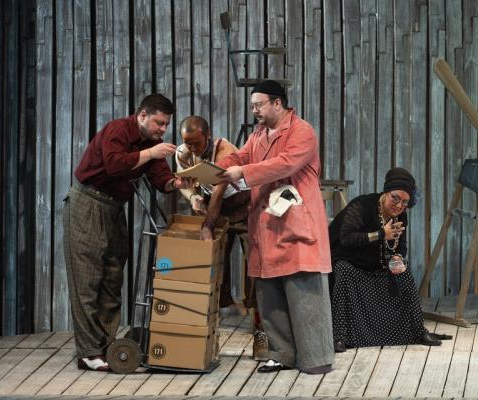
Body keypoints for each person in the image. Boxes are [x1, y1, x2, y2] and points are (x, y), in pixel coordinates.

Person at [63, 93, 190, 371]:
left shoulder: (152, 142)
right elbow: (114, 164)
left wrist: (178, 183)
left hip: (114, 208)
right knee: (87, 280)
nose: (163, 129)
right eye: (159, 123)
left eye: (166, 124)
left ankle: (105, 346)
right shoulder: (118, 129)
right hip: (89, 203)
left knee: (112, 278)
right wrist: (151, 153)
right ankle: (88, 352)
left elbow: (161, 178)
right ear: (142, 115)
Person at [216, 80, 334, 374]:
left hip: (295, 222)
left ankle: (316, 358)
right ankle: (281, 353)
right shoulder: (258, 134)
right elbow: (241, 156)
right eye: (252, 106)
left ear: (277, 103)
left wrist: (242, 172)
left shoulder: (301, 131)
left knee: (304, 293)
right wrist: (218, 168)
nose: (254, 110)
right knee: (270, 294)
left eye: (259, 105)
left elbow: (285, 164)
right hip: (266, 223)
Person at [174, 115, 268, 360]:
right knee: (215, 263)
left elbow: (218, 191)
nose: (192, 148)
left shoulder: (224, 151)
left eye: (196, 143)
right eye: (188, 143)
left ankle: (259, 326)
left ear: (208, 136)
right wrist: (193, 197)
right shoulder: (183, 152)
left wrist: (207, 225)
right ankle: (216, 319)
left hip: (243, 208)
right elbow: (184, 181)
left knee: (254, 266)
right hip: (218, 210)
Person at [329, 167, 452, 352]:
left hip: (377, 264)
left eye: (405, 202)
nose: (399, 205)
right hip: (351, 261)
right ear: (386, 192)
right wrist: (380, 234)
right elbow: (346, 238)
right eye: (395, 198)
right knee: (343, 270)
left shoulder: (400, 215)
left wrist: (397, 258)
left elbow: (402, 246)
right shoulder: (362, 206)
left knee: (404, 271)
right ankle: (339, 336)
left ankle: (418, 331)